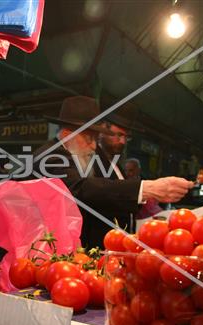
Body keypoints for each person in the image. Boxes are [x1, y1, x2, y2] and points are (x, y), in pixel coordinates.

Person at [33, 96, 193, 247]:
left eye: (96, 139)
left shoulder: (68, 154)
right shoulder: (51, 156)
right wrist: (146, 188)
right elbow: (80, 188)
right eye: (89, 139)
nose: (94, 147)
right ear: (68, 135)